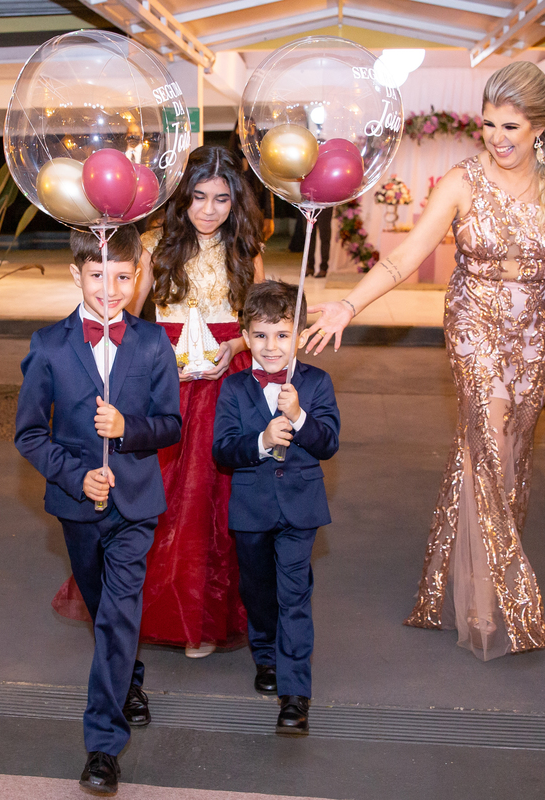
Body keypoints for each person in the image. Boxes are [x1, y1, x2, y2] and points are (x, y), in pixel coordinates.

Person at [303, 62, 545, 661]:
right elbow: (407, 254)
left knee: (508, 451)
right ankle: (500, 601)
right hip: (476, 324)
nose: (497, 137)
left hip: (539, 326)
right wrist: (347, 306)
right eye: (489, 124)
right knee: (488, 440)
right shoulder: (462, 181)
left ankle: (465, 578)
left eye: (511, 125)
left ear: (539, 125)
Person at [53, 145, 266, 658]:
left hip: (225, 381)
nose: (209, 210)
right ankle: (142, 607)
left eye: (221, 199)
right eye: (198, 198)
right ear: (181, 198)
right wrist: (151, 358)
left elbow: (260, 323)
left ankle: (202, 616)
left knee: (214, 499)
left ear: (237, 201)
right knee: (156, 495)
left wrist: (235, 345)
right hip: (164, 381)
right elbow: (128, 313)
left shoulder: (247, 249)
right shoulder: (155, 245)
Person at [16, 227, 181, 794]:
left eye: (122, 277)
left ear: (137, 276)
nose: (110, 289)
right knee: (97, 603)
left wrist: (127, 429)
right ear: (75, 274)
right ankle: (127, 674)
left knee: (117, 614)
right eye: (97, 276)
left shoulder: (154, 344)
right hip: (76, 506)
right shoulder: (49, 346)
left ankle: (102, 746)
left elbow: (170, 424)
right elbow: (30, 434)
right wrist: (76, 475)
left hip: (136, 505)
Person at [212, 280, 340, 735]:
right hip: (251, 510)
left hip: (301, 509)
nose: (271, 347)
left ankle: (295, 695)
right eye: (261, 336)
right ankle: (265, 653)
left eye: (283, 335)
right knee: (259, 592)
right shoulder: (232, 390)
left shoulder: (316, 383)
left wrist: (301, 418)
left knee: (295, 596)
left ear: (300, 336)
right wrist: (262, 441)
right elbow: (223, 451)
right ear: (246, 336)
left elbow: (329, 443)